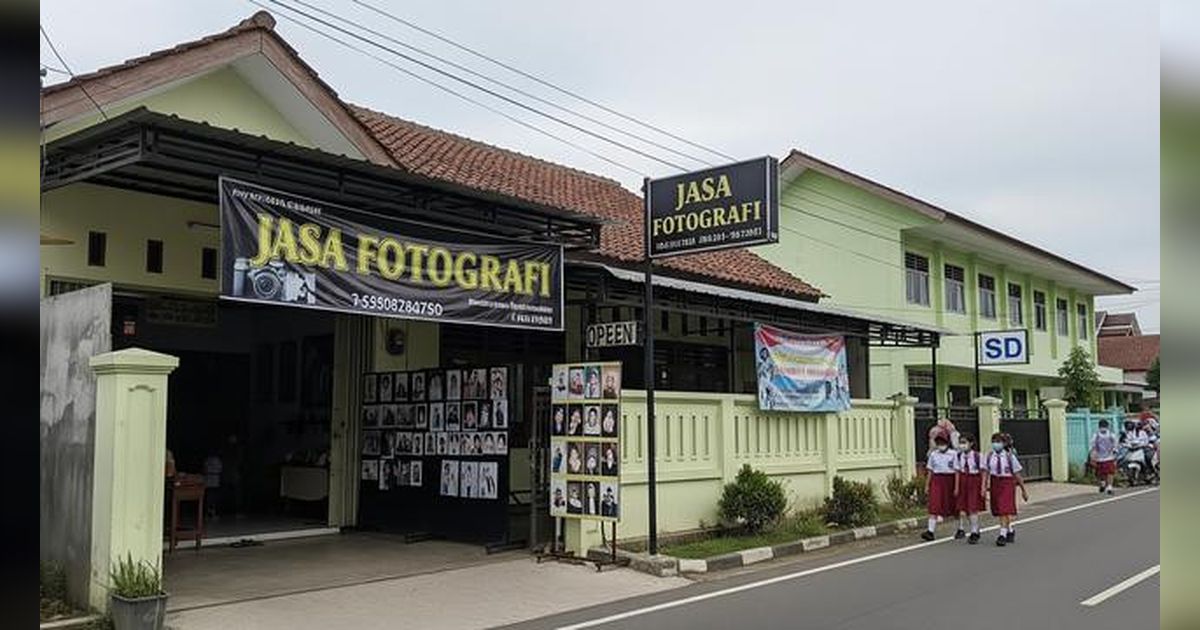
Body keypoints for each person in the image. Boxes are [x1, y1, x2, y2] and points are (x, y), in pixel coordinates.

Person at [984, 432, 1028, 547]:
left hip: (1007, 483)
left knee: (1004, 508)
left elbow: (1017, 474)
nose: (995, 444)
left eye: (998, 442)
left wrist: (1023, 490)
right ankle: (1010, 530)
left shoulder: (1009, 457)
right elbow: (986, 472)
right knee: (1000, 509)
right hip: (995, 483)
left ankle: (1002, 535)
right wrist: (983, 487)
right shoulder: (989, 456)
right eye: (993, 441)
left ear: (1003, 443)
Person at [921, 432, 958, 541]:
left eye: (942, 442)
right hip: (937, 480)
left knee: (953, 506)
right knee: (934, 505)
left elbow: (956, 471)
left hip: (949, 480)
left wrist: (956, 486)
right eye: (938, 442)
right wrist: (927, 485)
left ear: (947, 442)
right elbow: (930, 471)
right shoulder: (934, 454)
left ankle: (958, 528)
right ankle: (930, 531)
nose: (940, 444)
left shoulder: (953, 454)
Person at [953, 433, 985, 544]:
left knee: (973, 507)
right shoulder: (958, 456)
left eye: (964, 442)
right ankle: (971, 528)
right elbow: (957, 472)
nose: (962, 445)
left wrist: (983, 487)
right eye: (960, 442)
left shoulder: (978, 456)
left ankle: (974, 532)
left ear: (971, 443)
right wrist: (956, 487)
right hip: (963, 481)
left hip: (974, 481)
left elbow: (983, 472)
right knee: (963, 508)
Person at [1089, 419, 1119, 494]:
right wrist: (1093, 456)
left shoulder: (1111, 435)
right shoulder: (1096, 435)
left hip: (1109, 457)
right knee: (1101, 473)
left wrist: (1115, 452)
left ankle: (1109, 487)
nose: (1103, 428)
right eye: (1102, 426)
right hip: (1099, 458)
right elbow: (1092, 446)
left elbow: (1115, 444)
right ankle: (1103, 483)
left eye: (1104, 426)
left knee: (1110, 472)